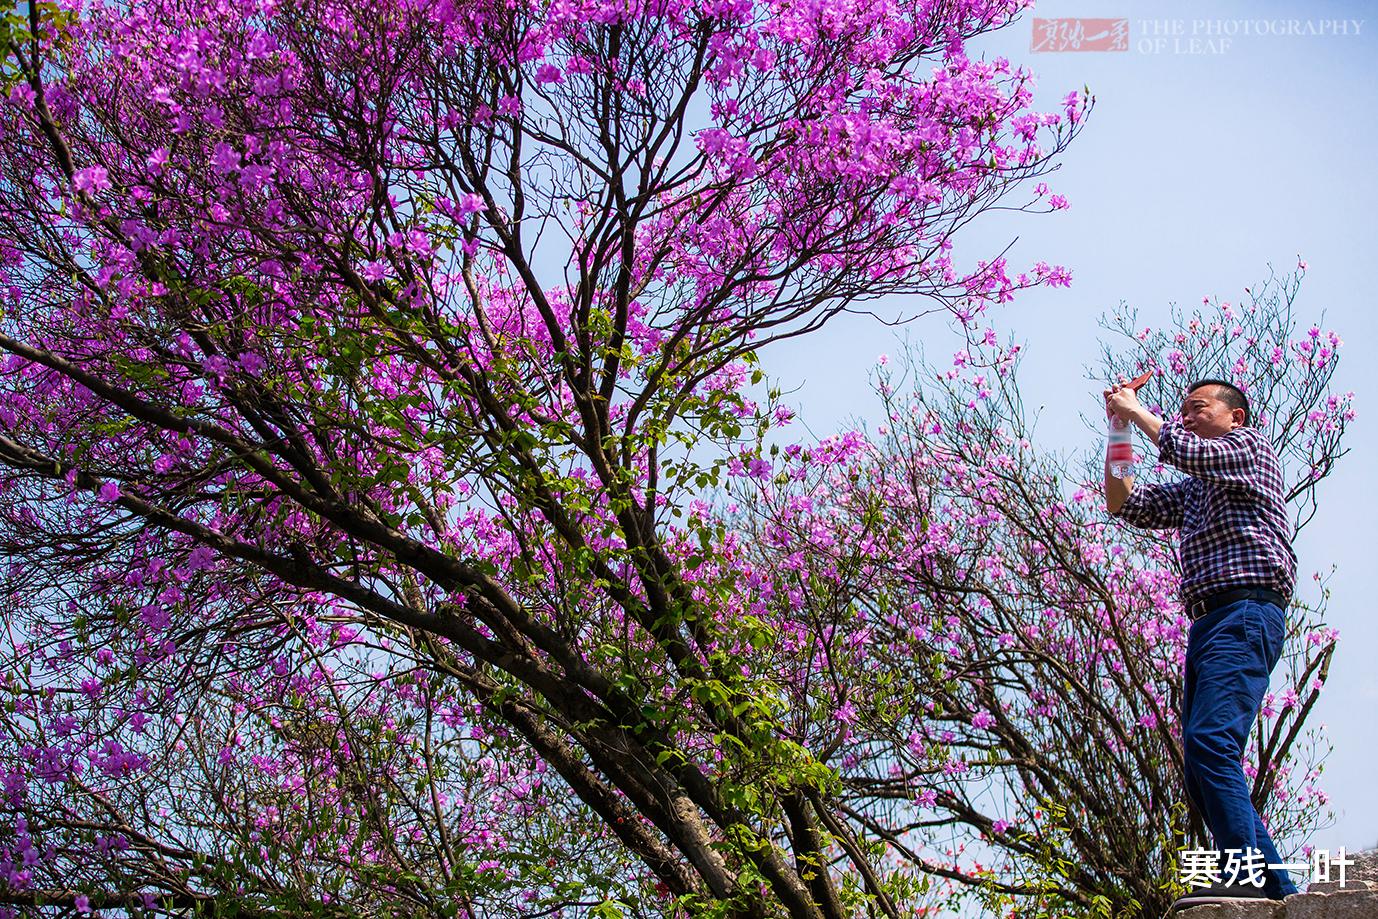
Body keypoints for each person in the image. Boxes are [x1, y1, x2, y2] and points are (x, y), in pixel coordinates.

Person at [1104, 377, 1299, 910]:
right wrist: (1119, 429)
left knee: (1212, 743)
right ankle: (1278, 892)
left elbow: (1183, 449)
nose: (1186, 417)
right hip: (1210, 622)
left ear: (1235, 417)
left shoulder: (1248, 449)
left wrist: (1134, 410)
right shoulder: (1197, 487)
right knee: (1201, 761)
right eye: (1183, 411)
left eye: (1197, 408)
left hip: (1245, 610)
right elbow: (1125, 503)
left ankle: (1245, 877)